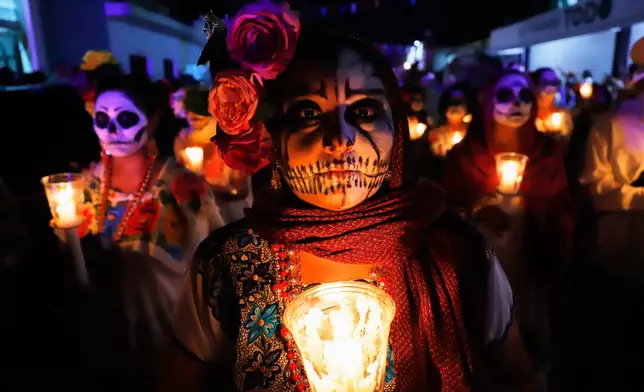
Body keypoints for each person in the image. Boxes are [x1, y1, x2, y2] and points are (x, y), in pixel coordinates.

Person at [161, 3, 536, 391]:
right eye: (308, 114)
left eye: (365, 110)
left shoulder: (458, 253)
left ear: (397, 129)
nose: (340, 140)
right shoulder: (227, 265)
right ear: (271, 134)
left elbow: (518, 377)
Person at [441, 69, 573, 386]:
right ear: (487, 102)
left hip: (529, 261)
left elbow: (561, 208)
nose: (516, 104)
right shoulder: (465, 154)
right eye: (505, 95)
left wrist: (531, 210)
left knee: (529, 329)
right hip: (481, 267)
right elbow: (446, 209)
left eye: (525, 96)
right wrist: (478, 209)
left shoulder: (546, 153)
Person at [173, 86, 252, 223]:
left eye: (199, 109)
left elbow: (241, 190)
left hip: (228, 216)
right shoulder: (182, 140)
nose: (193, 114)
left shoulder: (231, 141)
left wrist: (208, 190)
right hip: (195, 218)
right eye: (189, 108)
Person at [428, 82, 473, 158]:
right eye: (452, 103)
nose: (456, 106)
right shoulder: (436, 134)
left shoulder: (472, 133)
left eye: (460, 102)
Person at [530, 68, 573, 144]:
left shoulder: (563, 116)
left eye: (554, 82)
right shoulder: (528, 118)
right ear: (534, 86)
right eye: (545, 82)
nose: (550, 86)